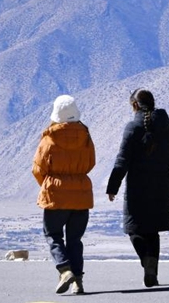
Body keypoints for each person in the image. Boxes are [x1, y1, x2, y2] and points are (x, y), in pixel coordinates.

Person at [106, 88, 169, 287]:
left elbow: (122, 160)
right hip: (161, 187)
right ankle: (152, 271)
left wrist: (113, 186)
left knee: (135, 229)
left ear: (134, 105)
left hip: (137, 189)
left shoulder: (132, 128)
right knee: (153, 231)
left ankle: (147, 262)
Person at [32, 94, 96, 295]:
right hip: (81, 195)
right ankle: (78, 282)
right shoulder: (86, 137)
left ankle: (64, 269)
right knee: (75, 239)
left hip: (56, 195)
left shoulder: (49, 138)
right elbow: (90, 163)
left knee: (53, 234)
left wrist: (50, 185)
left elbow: (38, 168)